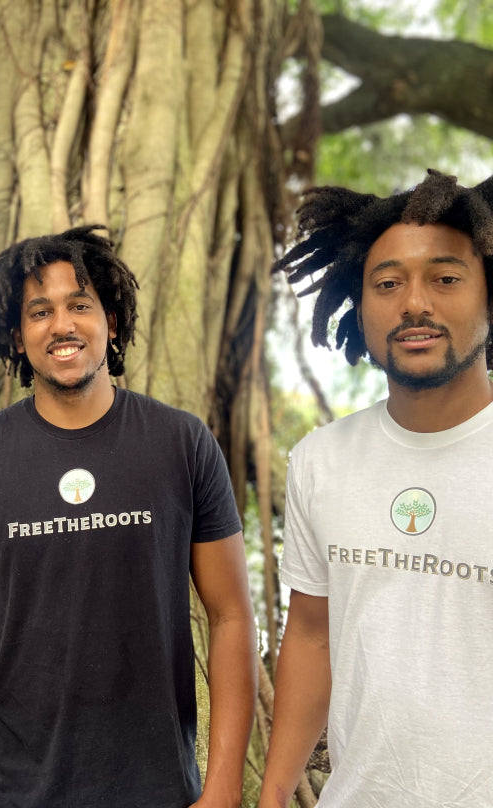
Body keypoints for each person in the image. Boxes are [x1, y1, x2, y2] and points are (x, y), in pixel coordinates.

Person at [0, 225, 257, 808]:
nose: (62, 325)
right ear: (18, 338)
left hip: (158, 785)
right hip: (16, 787)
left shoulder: (181, 442)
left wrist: (222, 789)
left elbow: (230, 616)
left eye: (80, 305)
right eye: (39, 311)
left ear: (111, 321)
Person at [258, 169, 493, 808]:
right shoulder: (321, 461)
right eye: (387, 284)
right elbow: (310, 634)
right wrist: (275, 791)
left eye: (445, 278)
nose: (414, 303)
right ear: (359, 308)